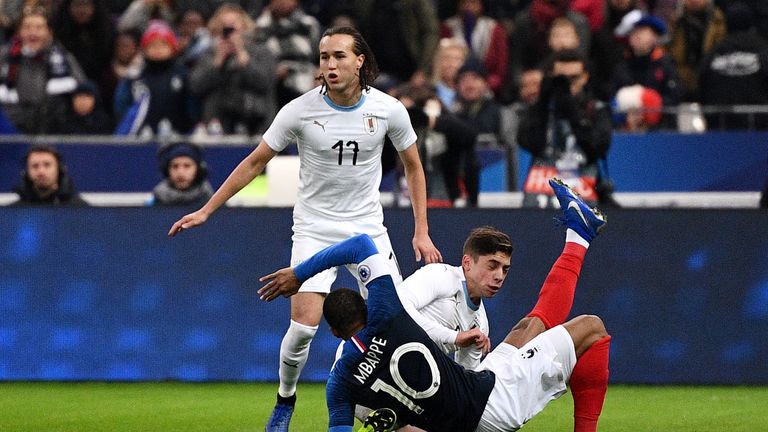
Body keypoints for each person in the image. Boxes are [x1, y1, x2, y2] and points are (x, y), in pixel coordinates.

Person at [166, 26, 442, 432]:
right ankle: (285, 399)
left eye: (339, 56)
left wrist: (421, 231)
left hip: (367, 230)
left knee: (393, 323)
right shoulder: (299, 110)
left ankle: (396, 405)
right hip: (314, 229)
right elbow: (256, 161)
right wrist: (209, 209)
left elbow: (414, 166)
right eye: (324, 57)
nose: (330, 65)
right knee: (302, 329)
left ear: (359, 60)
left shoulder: (388, 110)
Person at [258, 178, 611, 432]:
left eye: (505, 269)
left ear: (333, 331)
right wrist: (299, 274)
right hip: (481, 406)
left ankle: (578, 234)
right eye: (493, 266)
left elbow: (464, 372)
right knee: (592, 328)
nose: (500, 276)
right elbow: (366, 252)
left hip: (425, 401)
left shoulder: (337, 385)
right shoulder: (412, 296)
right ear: (467, 262)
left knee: (530, 327)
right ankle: (578, 237)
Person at [518, 49, 612, 208]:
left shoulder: (596, 109)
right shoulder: (539, 108)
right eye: (562, 79)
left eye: (574, 78)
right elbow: (528, 142)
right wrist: (543, 101)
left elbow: (597, 147)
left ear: (585, 77)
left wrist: (573, 112)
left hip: (585, 196)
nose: (568, 84)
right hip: (540, 196)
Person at [189, 3, 276, 135]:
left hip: (257, 124)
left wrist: (243, 58)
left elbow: (266, 83)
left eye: (234, 23)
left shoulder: (261, 51)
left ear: (244, 25)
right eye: (224, 23)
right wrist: (217, 63)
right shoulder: (209, 54)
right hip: (217, 124)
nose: (229, 28)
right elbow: (196, 87)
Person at [0, 6, 86, 133]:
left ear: (49, 32)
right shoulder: (5, 58)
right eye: (27, 27)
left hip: (55, 129)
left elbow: (82, 89)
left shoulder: (63, 59)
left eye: (39, 27)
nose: (32, 32)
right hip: (11, 129)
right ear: (19, 32)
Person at [10, 144, 88, 206]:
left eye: (47, 165)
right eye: (35, 166)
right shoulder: (14, 213)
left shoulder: (79, 210)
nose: (41, 171)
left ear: (60, 169)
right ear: (26, 172)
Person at [149, 142, 213, 206]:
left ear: (198, 169)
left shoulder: (212, 202)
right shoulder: (153, 204)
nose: (180, 172)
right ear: (166, 170)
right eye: (175, 166)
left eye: (187, 166)